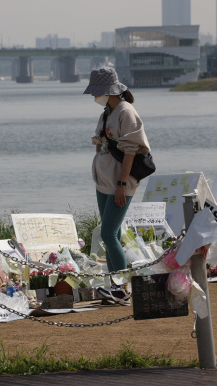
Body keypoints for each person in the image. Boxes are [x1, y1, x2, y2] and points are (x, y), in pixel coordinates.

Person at [84, 67, 150, 306]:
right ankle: (114, 286)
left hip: (120, 182)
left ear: (107, 91)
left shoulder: (126, 111)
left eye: (96, 93)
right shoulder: (107, 112)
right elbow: (101, 143)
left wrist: (122, 184)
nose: (94, 97)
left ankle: (121, 288)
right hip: (103, 181)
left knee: (108, 233)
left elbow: (131, 151)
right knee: (112, 233)